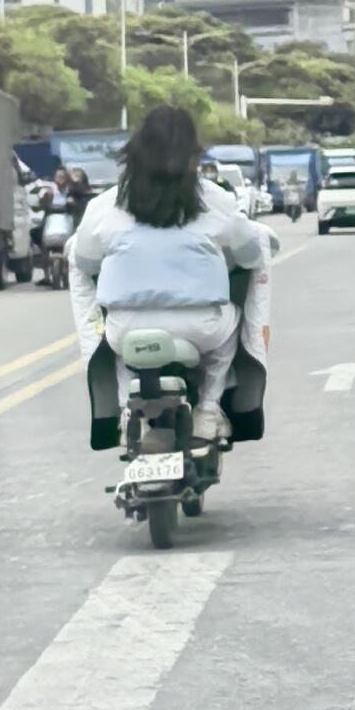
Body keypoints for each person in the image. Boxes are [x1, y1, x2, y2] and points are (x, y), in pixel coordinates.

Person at [67, 101, 270, 451]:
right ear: (193, 156)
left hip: (126, 329)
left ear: (134, 154)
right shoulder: (215, 200)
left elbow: (84, 262)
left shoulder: (104, 205)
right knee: (233, 323)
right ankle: (208, 410)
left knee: (114, 347)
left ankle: (126, 412)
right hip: (201, 329)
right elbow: (252, 255)